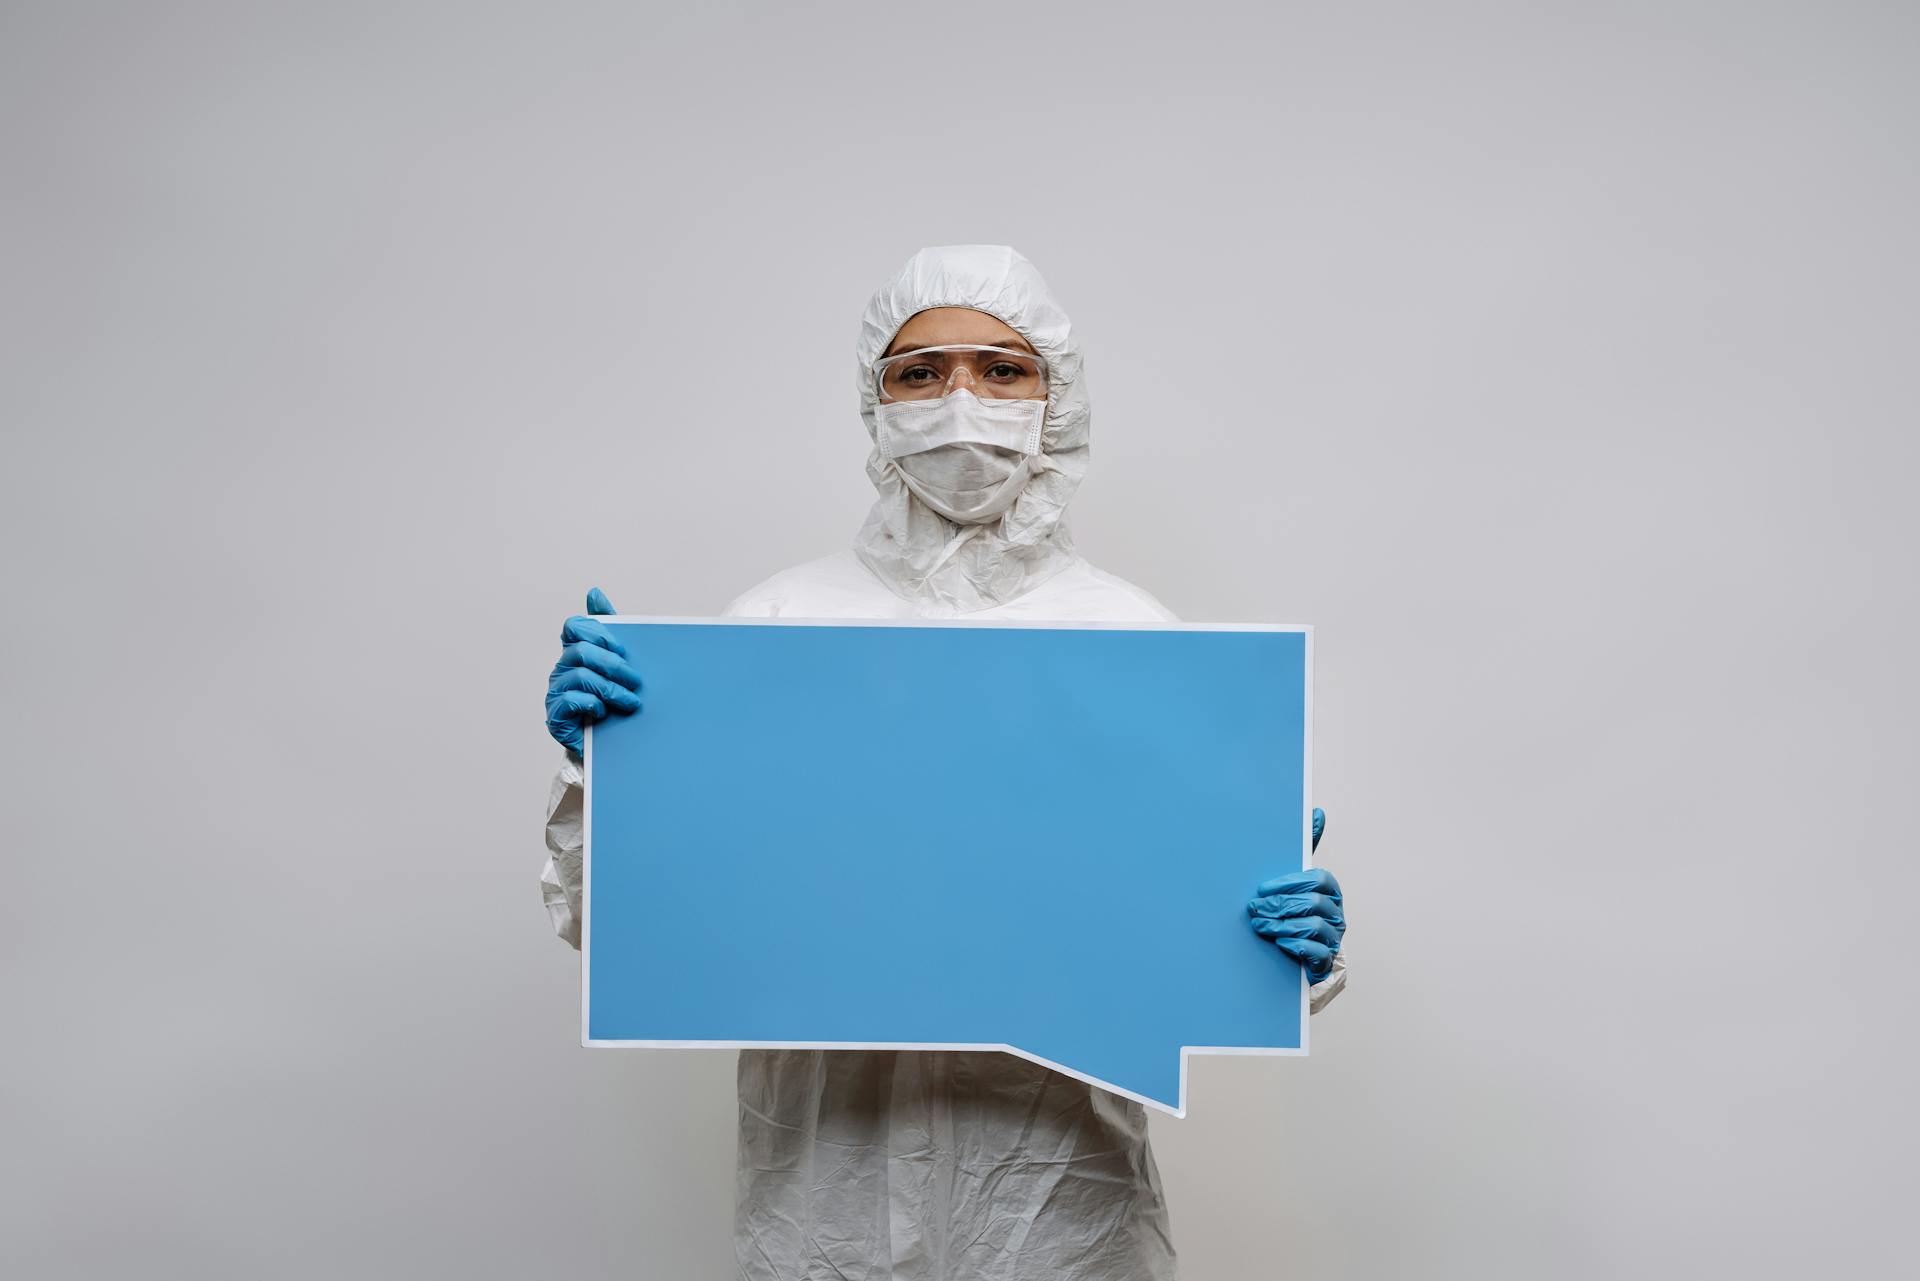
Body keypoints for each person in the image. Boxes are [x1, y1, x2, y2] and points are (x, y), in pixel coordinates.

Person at [539, 245, 1348, 1280]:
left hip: (1065, 1200)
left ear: (1056, 400)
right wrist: (604, 771)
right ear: (875, 404)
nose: (961, 399)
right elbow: (612, 926)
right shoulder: (775, 627)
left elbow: (1184, 942)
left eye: (1001, 369)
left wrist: (1290, 948)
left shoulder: (1133, 640)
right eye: (920, 372)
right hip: (823, 1197)